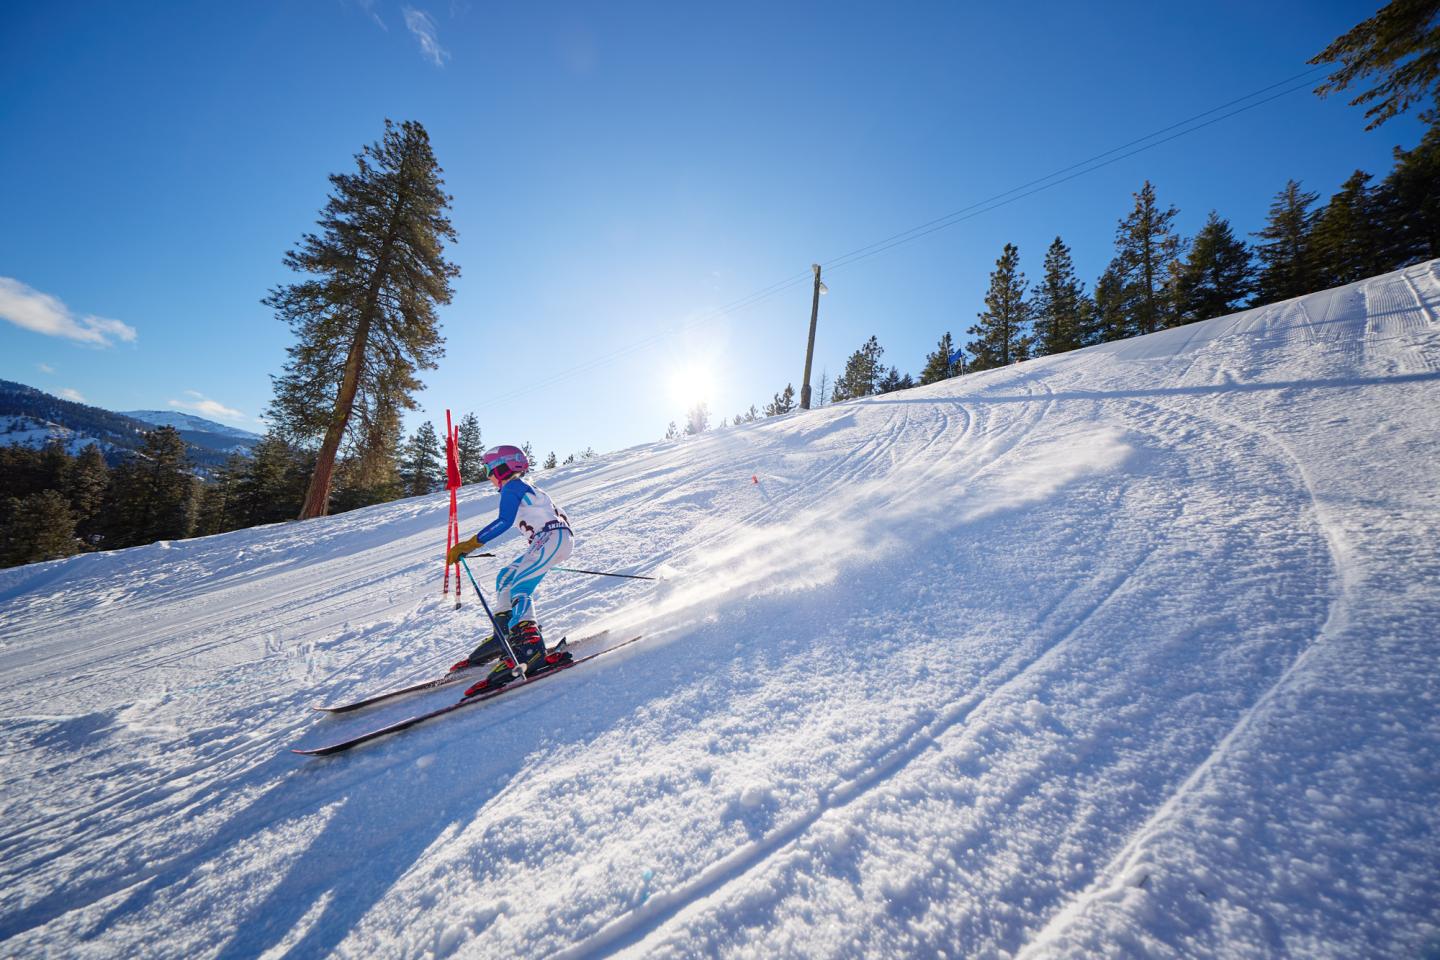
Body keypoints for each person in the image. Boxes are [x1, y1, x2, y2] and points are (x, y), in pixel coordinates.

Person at [445, 444, 574, 690]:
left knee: (520, 587)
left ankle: (529, 646)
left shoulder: (513, 487)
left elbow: (504, 521)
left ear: (503, 468)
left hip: (551, 538)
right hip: (550, 540)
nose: (488, 476)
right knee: (506, 577)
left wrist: (470, 544)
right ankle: (504, 634)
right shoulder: (523, 489)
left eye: (489, 470)